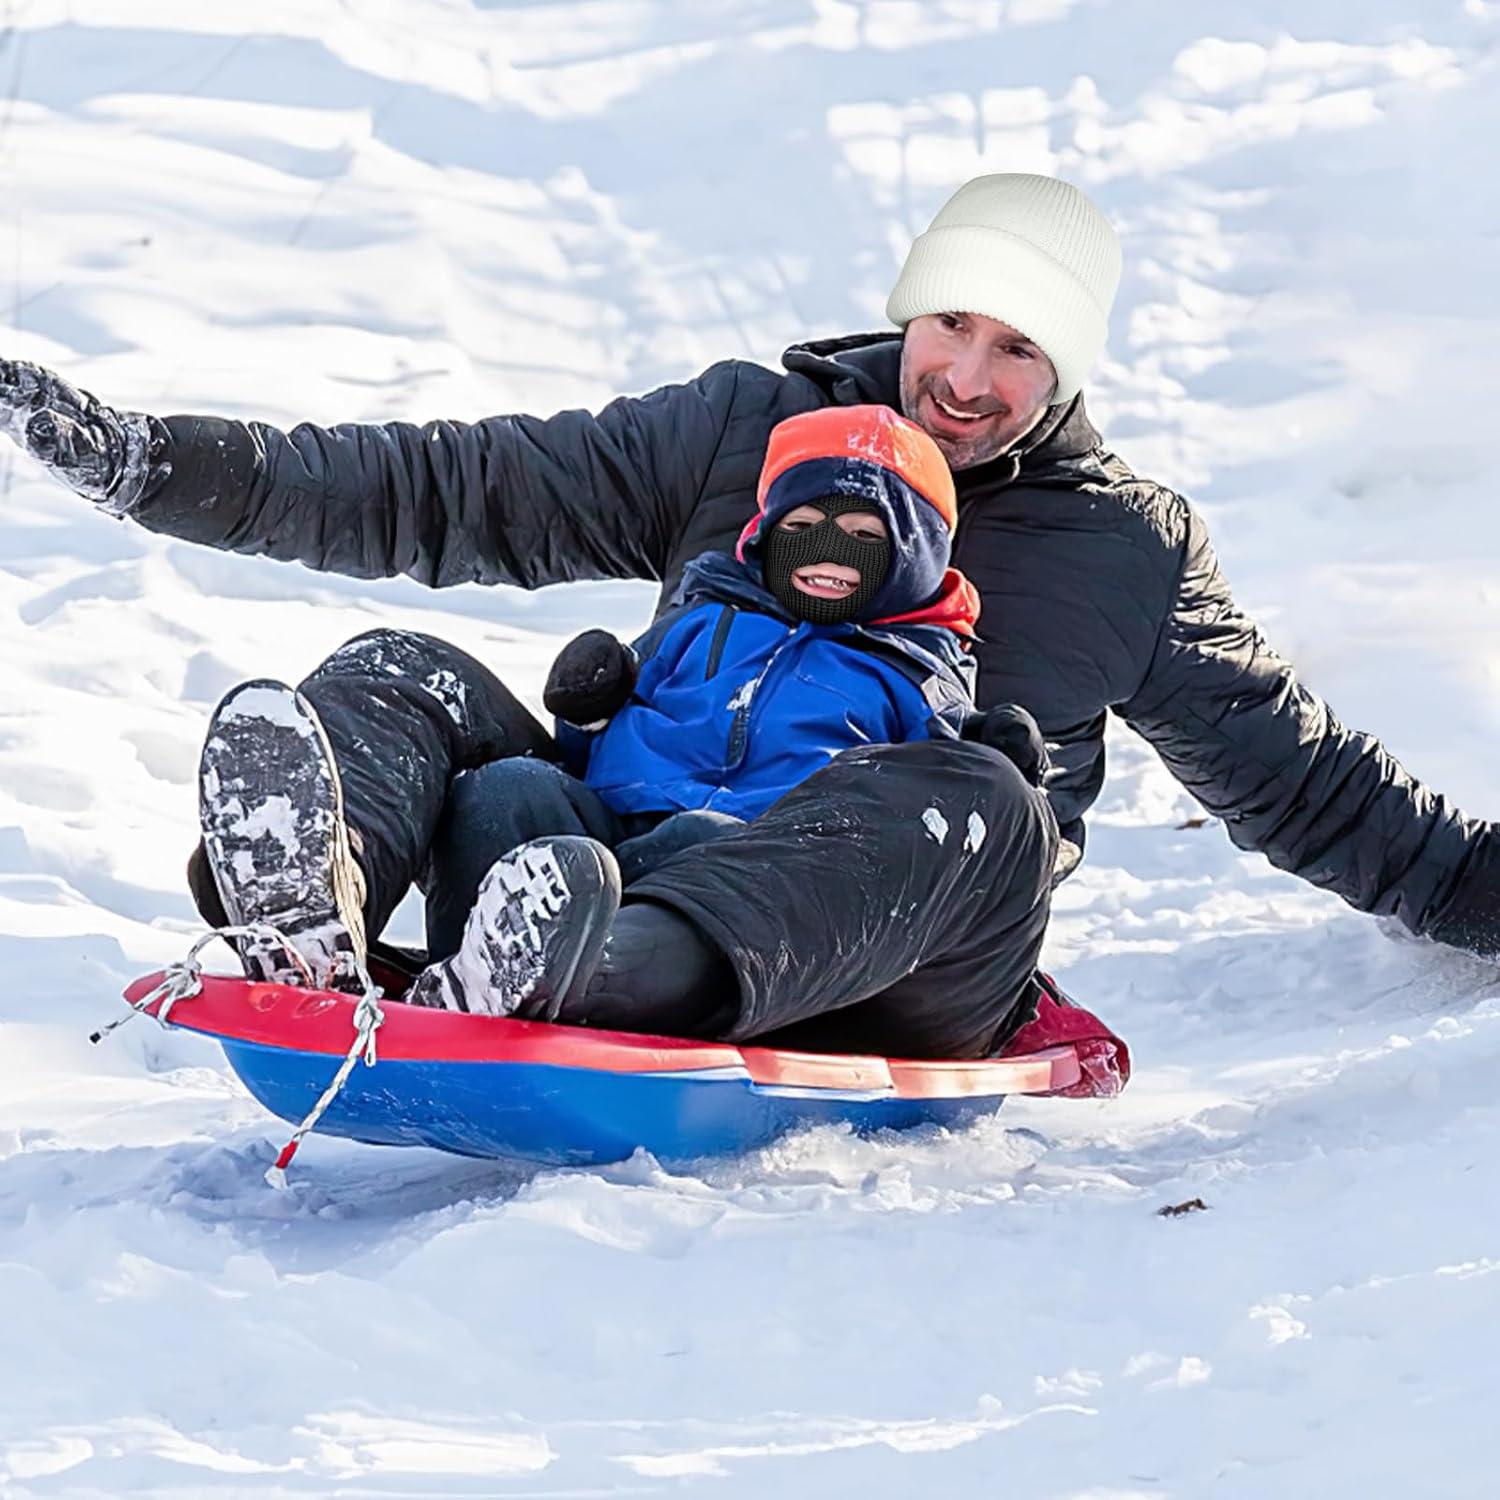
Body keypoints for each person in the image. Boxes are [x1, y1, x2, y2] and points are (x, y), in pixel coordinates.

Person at [5, 171, 1499, 1060]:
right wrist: (154, 468)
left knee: (989, 789)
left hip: (893, 959)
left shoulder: (1125, 548)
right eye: (953, 323)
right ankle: (313, 908)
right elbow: (438, 487)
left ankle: (597, 971)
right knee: (404, 671)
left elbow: (1313, 789)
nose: (966, 377)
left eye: (1020, 348)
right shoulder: (747, 437)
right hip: (599, 872)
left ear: (1076, 368)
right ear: (910, 305)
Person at [191, 403, 1053, 1045]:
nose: (830, 547)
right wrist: (590, 712)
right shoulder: (707, 617)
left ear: (919, 556)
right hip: (590, 867)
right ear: (766, 532)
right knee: (465, 734)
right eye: (806, 524)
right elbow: (606, 757)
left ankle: (557, 977)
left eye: (866, 533)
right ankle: (314, 902)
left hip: (748, 898)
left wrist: (983, 762)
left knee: (724, 830)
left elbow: (901, 842)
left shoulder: (919, 671)